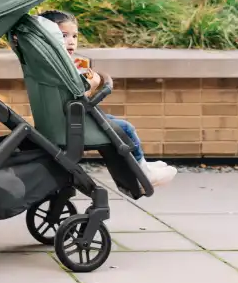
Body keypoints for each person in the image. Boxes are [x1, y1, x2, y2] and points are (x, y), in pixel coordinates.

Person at [37, 10, 177, 188]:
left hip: (60, 119)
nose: (71, 41)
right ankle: (143, 171)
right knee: (125, 128)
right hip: (73, 122)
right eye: (64, 35)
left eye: (74, 36)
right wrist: (94, 84)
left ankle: (141, 165)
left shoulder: (49, 63)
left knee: (113, 125)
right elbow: (80, 96)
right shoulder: (61, 67)